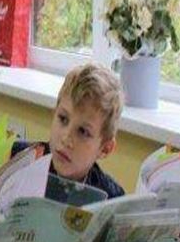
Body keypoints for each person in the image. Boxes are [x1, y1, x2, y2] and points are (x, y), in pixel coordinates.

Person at [10, 62, 126, 198]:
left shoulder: (111, 198)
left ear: (105, 148)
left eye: (83, 131)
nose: (66, 139)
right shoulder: (16, 159)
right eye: (63, 119)